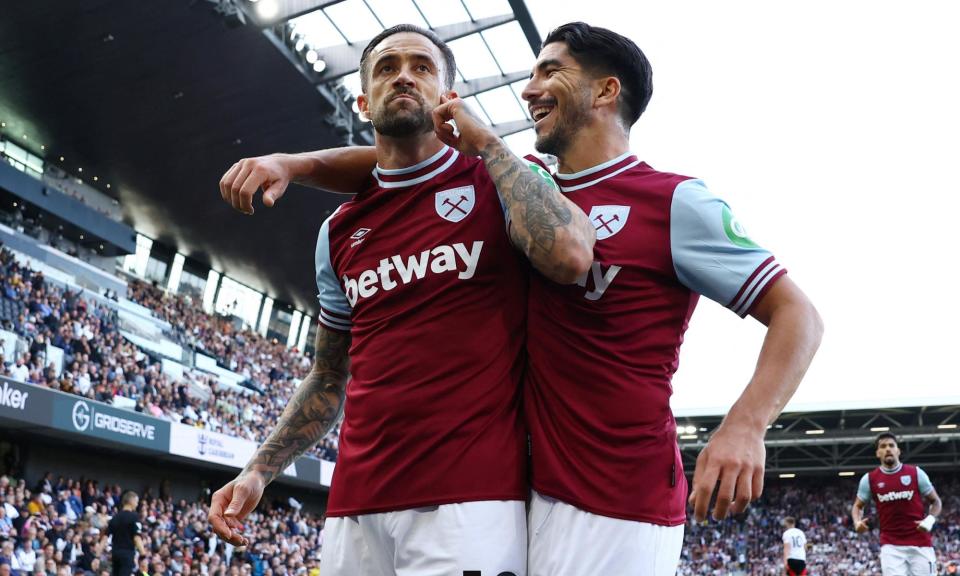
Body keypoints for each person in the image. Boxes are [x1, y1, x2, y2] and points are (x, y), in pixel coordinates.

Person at [219, 20, 823, 576]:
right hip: (522, 492)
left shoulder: (525, 185)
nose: (529, 91)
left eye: (548, 73)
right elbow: (387, 173)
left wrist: (745, 427)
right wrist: (292, 164)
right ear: (362, 99)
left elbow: (795, 311)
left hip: (607, 492)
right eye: (385, 68)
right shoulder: (484, 193)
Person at [209, 23, 595, 576]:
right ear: (363, 101)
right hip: (355, 508)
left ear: (448, 96)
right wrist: (258, 470)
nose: (404, 77)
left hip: (469, 502)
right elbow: (326, 376)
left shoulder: (500, 182)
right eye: (387, 68)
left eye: (422, 67)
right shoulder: (338, 232)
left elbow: (570, 254)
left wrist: (484, 141)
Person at [851, 432, 942, 576]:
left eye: (891, 445)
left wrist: (929, 520)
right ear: (877, 453)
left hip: (920, 543)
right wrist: (857, 522)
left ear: (898, 451)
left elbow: (936, 501)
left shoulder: (916, 473)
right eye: (883, 446)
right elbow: (857, 506)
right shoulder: (869, 479)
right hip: (891, 546)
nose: (888, 449)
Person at [106, 491, 144, 576]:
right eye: (137, 502)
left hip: (115, 553)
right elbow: (137, 538)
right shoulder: (134, 517)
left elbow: (105, 537)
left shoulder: (115, 517)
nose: (137, 504)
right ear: (132, 501)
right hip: (127, 554)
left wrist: (97, 556)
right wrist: (143, 555)